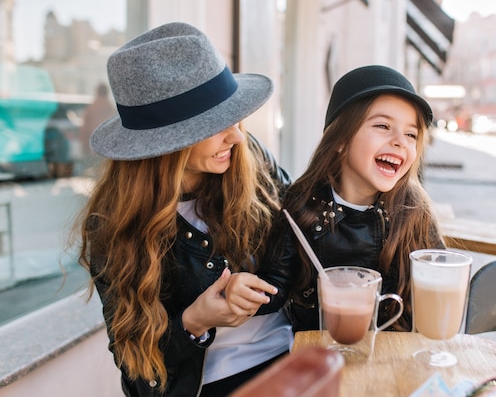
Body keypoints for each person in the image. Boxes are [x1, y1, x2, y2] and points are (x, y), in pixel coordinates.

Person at [74, 22, 293, 397]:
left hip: (295, 354)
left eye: (234, 115)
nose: (237, 136)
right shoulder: (111, 224)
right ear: (166, 144)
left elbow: (297, 245)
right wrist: (196, 319)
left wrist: (254, 291)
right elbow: (135, 366)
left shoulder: (249, 157)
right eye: (216, 123)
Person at [268, 65, 446, 333]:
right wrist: (246, 295)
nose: (400, 141)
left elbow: (438, 289)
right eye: (383, 126)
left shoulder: (414, 210)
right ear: (340, 138)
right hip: (321, 355)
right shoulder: (304, 204)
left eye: (411, 134)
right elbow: (275, 286)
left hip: (395, 358)